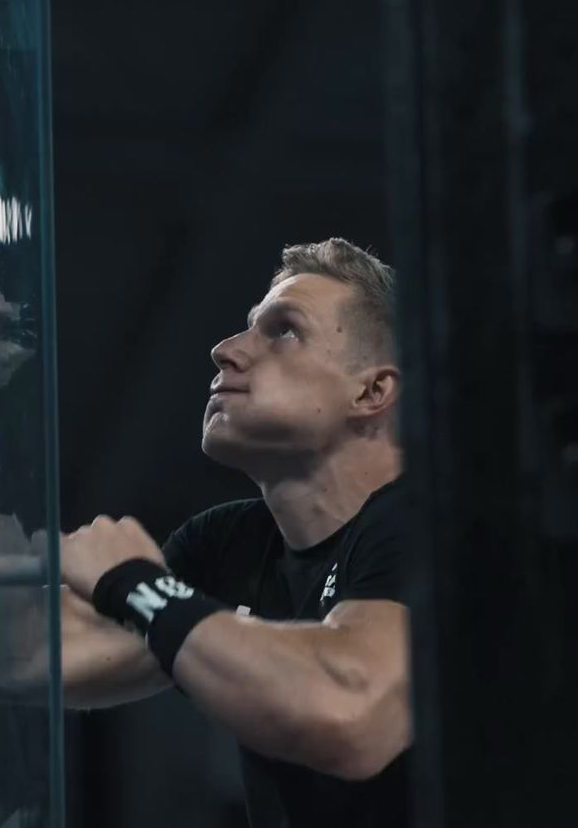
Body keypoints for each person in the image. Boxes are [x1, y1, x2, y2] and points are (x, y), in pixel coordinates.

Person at [54, 238, 413, 828]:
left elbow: (351, 710)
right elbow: (29, 654)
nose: (225, 351)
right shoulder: (231, 544)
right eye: (248, 329)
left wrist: (141, 587)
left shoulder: (427, 524)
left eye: (284, 331)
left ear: (371, 392)